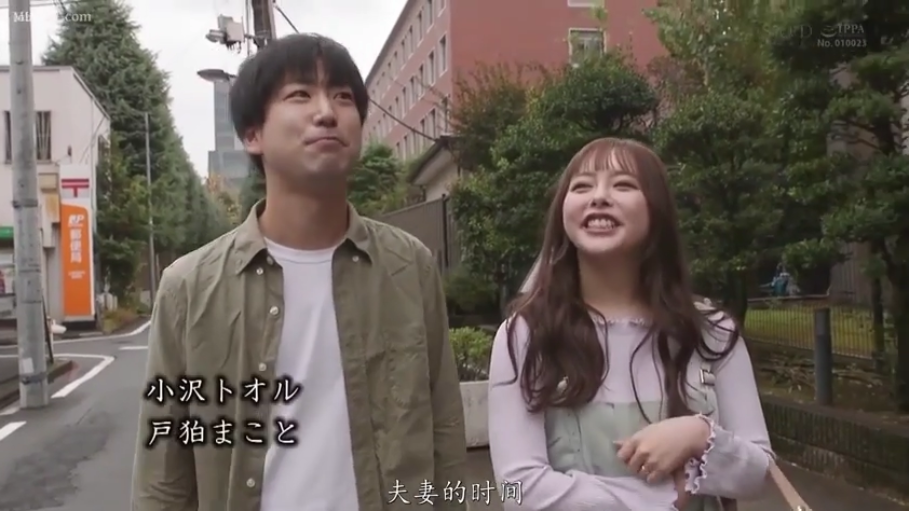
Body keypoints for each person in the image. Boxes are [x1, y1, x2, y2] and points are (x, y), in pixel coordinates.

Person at [131, 33, 467, 511]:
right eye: (300, 95)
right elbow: (163, 472)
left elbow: (445, 430)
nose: (326, 112)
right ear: (253, 134)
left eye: (343, 97)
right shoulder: (189, 286)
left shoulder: (409, 266)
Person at [488, 137, 773, 510]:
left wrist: (700, 435)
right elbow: (519, 488)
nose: (599, 197)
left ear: (657, 210)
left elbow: (760, 473)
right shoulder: (526, 335)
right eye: (582, 187)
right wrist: (663, 499)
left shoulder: (712, 331)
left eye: (623, 185)